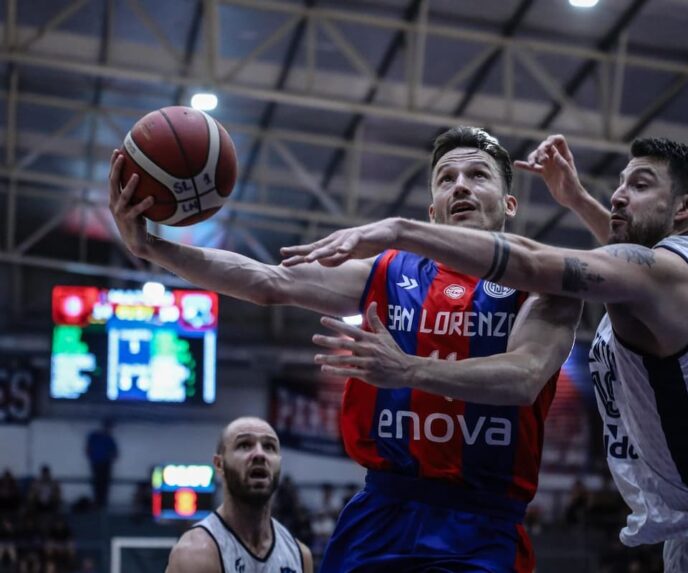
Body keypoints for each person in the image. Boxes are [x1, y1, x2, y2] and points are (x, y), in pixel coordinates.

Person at [280, 135, 688, 571]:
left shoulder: (669, 271)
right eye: (618, 184)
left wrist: (400, 230)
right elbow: (624, 261)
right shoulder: (669, 274)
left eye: (638, 184)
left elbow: (540, 264)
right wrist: (577, 200)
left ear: (686, 207)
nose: (617, 195)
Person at [109, 125, 582, 571]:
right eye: (446, 178)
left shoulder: (546, 286)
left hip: (481, 522)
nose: (460, 186)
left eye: (477, 176)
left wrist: (409, 370)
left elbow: (524, 377)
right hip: (379, 514)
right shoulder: (391, 271)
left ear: (509, 203)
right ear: (433, 210)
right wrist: (155, 249)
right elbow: (267, 281)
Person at [165, 416, 312, 573]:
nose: (259, 454)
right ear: (219, 464)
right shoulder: (195, 553)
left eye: (269, 447)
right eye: (245, 445)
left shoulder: (300, 556)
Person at [84, 419, 117, 508]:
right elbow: (88, 448)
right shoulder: (95, 436)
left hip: (105, 464)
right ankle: (98, 502)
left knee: (104, 484)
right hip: (97, 463)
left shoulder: (109, 438)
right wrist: (92, 457)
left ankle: (102, 503)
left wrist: (109, 457)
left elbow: (115, 453)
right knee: (97, 483)